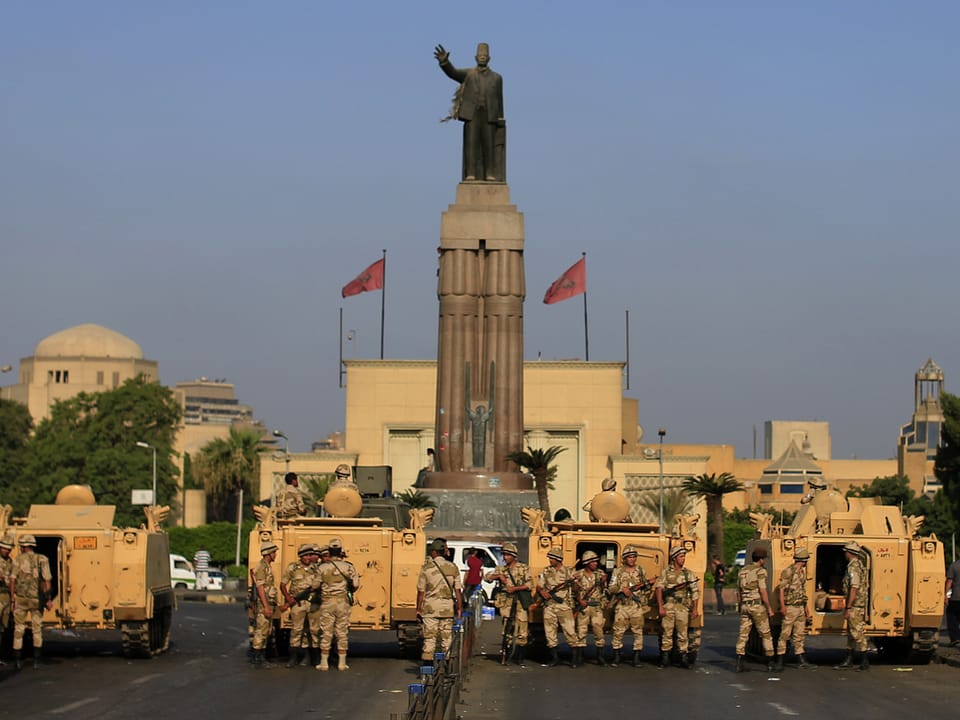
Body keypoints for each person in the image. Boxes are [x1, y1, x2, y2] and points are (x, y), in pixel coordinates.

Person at [434, 42, 505, 182]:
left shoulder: (497, 78)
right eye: (480, 55)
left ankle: (490, 173)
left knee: (488, 145)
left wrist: (501, 117)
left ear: (489, 58)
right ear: (475, 57)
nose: (482, 58)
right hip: (472, 115)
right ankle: (470, 173)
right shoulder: (469, 74)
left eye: (485, 56)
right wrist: (444, 62)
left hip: (489, 115)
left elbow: (499, 98)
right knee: (471, 145)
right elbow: (453, 73)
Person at [417, 539, 463, 666]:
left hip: (430, 608)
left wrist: (418, 609)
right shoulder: (453, 567)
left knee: (430, 638)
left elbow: (421, 592)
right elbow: (458, 591)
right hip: (447, 608)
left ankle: (428, 668)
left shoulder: (426, 569)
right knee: (446, 638)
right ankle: (447, 667)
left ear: (433, 552)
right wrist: (459, 608)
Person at [315, 542, 360, 671]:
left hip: (327, 602)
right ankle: (342, 662)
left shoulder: (322, 567)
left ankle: (324, 662)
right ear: (340, 552)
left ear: (329, 552)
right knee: (342, 631)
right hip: (343, 602)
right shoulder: (349, 567)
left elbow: (315, 585)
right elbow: (356, 585)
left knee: (326, 631)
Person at [9, 534, 52, 670]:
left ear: (22, 547)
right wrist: (48, 599)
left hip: (21, 599)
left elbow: (12, 580)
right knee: (37, 629)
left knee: (19, 629)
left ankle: (17, 661)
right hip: (36, 600)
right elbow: (47, 581)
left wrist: (12, 599)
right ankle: (36, 661)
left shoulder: (17, 560)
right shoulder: (42, 559)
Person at [485, 542, 532, 665]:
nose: (505, 557)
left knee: (522, 630)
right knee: (507, 630)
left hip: (520, 602)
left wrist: (515, 589)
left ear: (514, 556)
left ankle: (520, 657)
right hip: (506, 602)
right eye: (504, 555)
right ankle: (506, 654)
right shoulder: (501, 569)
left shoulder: (523, 568)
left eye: (508, 555)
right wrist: (498, 576)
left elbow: (529, 585)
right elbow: (487, 577)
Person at [655, 547, 699, 669]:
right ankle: (665, 658)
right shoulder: (666, 572)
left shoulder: (688, 574)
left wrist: (695, 609)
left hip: (682, 607)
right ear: (674, 558)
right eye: (681, 556)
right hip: (668, 606)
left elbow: (695, 592)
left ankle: (683, 657)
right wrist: (660, 607)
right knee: (667, 633)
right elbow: (659, 589)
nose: (683, 559)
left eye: (684, 556)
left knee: (682, 634)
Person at [607, 545, 650, 667]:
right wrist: (622, 589)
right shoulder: (617, 572)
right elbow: (611, 588)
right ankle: (616, 657)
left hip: (636, 606)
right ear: (625, 559)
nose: (632, 559)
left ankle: (636, 658)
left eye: (634, 557)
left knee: (638, 632)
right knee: (618, 631)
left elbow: (646, 588)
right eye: (629, 557)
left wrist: (646, 586)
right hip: (622, 606)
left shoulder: (641, 571)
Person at [280, 544, 321, 668]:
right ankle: (293, 658)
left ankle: (313, 657)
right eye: (306, 555)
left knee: (313, 631)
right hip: (298, 604)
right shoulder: (293, 568)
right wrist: (288, 598)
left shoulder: (316, 569)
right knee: (297, 630)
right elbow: (283, 584)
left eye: (310, 555)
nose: (309, 558)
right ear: (301, 556)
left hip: (313, 604)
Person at [735, 547, 775, 673]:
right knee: (766, 634)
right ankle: (770, 663)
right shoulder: (760, 571)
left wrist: (741, 605)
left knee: (743, 634)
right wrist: (769, 608)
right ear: (761, 560)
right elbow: (763, 591)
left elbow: (738, 592)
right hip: (757, 606)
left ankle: (739, 662)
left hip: (745, 605)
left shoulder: (742, 571)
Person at [536, 548, 578, 667]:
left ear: (558, 559)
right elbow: (539, 586)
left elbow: (576, 589)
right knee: (550, 633)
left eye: (552, 558)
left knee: (570, 632)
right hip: (549, 606)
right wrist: (542, 592)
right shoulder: (546, 571)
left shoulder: (568, 572)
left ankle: (574, 658)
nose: (550, 560)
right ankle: (554, 658)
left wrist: (573, 582)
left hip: (564, 606)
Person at [775, 548, 814, 670]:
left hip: (800, 607)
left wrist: (805, 607)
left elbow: (802, 591)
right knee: (785, 634)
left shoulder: (801, 573)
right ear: (803, 560)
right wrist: (782, 606)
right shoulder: (788, 572)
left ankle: (800, 657)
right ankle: (780, 659)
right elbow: (781, 589)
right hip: (790, 607)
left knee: (799, 634)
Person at [836, 541, 870, 671]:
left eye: (846, 552)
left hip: (855, 605)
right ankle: (849, 658)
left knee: (857, 632)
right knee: (851, 633)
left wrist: (848, 607)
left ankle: (864, 660)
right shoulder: (860, 565)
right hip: (858, 603)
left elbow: (854, 588)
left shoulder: (853, 568)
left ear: (849, 553)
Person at [573, 550, 608, 665]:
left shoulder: (600, 574)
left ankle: (600, 657)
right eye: (593, 562)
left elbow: (604, 591)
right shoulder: (578, 575)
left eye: (596, 562)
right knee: (581, 631)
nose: (595, 564)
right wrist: (579, 601)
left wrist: (603, 582)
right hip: (583, 607)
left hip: (596, 606)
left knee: (599, 631)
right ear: (587, 563)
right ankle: (579, 657)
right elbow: (573, 591)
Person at [250, 541, 279, 668]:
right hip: (264, 604)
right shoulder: (261, 567)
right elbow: (260, 588)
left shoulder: (266, 566)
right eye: (274, 552)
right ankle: (257, 658)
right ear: (268, 553)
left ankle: (262, 656)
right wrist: (266, 606)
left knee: (266, 630)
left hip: (268, 603)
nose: (275, 554)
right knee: (261, 631)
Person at [0, 538, 14, 667]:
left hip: (5, 596)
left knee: (3, 628)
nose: (6, 551)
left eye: (9, 549)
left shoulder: (9, 561)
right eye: (4, 548)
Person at [945, 556, 960, 646]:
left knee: (951, 616)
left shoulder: (954, 566)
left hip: (956, 597)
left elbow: (949, 581)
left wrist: (945, 594)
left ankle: (955, 638)